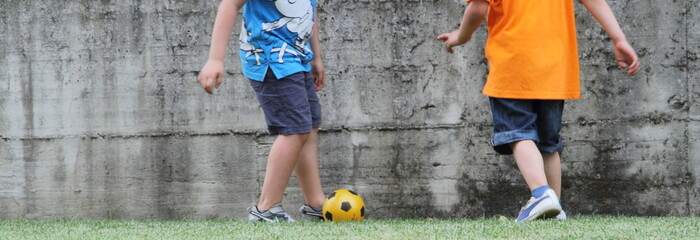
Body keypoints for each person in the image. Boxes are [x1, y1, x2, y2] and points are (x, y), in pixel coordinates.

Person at [437, 0, 640, 222]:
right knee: (547, 143)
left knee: (517, 132)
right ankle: (555, 209)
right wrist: (619, 38)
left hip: (512, 64)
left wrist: (461, 36)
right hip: (555, 67)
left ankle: (541, 194)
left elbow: (477, 7)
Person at [197, 0, 327, 222]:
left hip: (298, 55)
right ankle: (266, 208)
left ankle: (316, 204)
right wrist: (215, 59)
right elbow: (229, 5)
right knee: (294, 131)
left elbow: (308, 10)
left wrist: (316, 57)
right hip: (269, 57)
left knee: (309, 127)